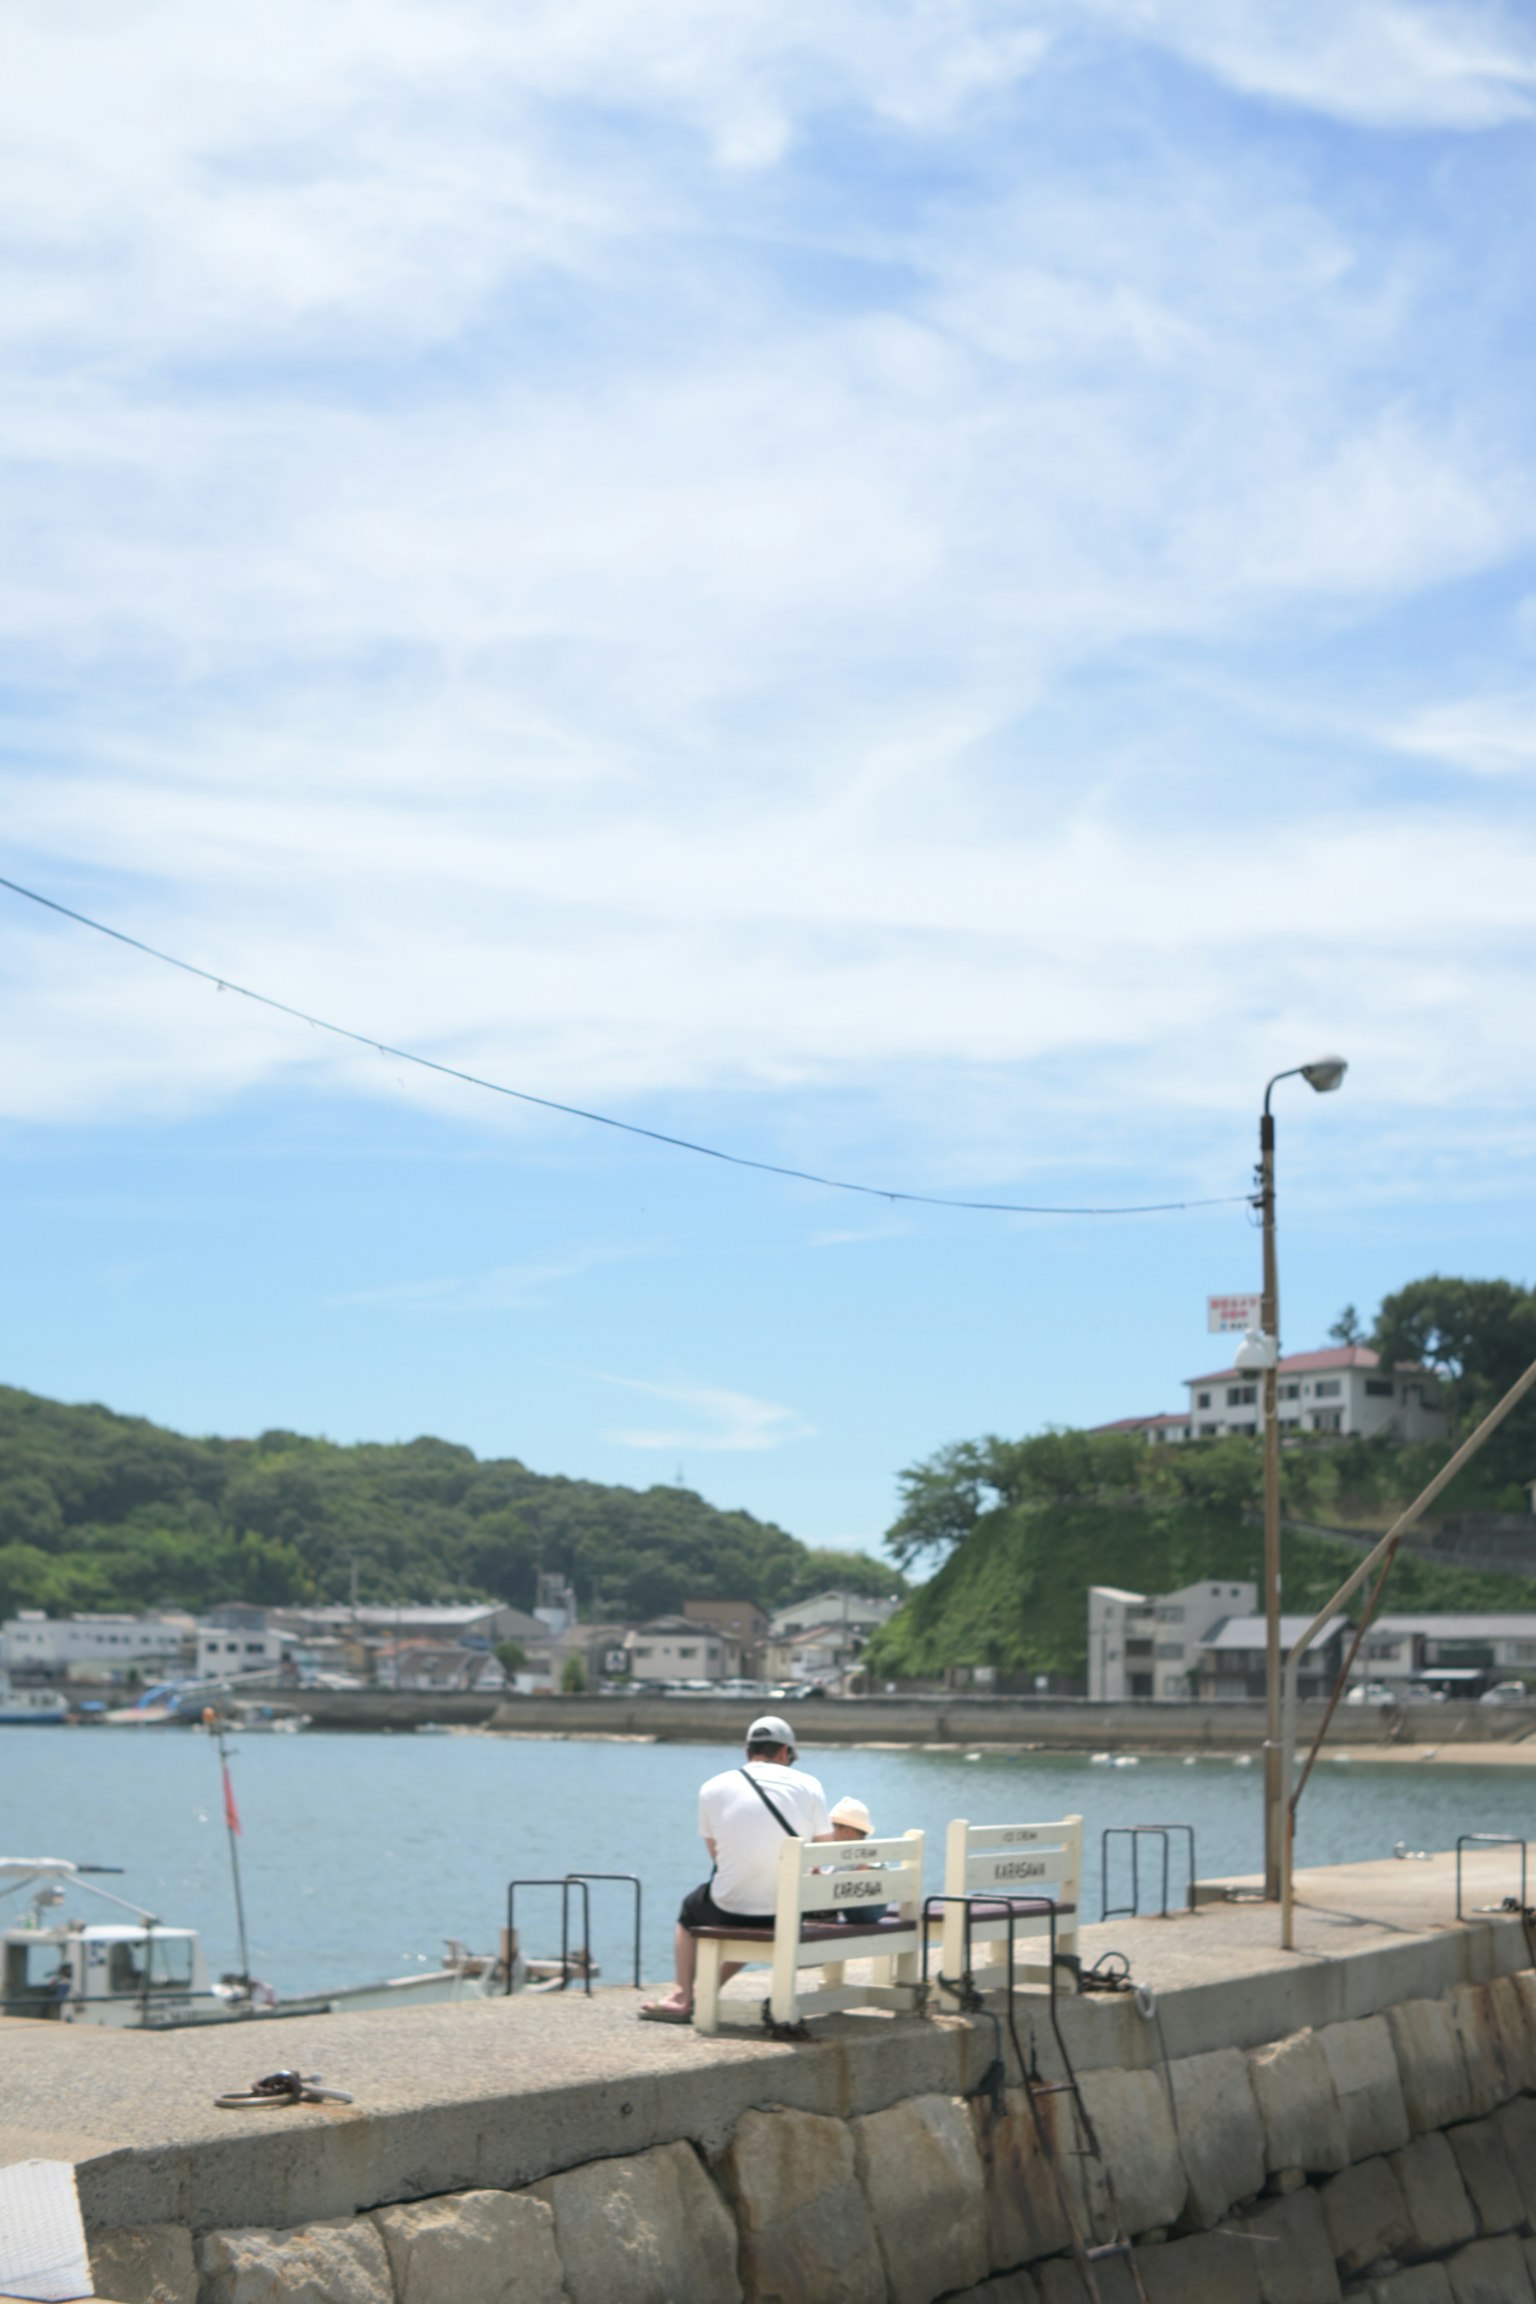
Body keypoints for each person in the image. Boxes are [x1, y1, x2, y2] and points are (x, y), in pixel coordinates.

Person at [640, 1715, 828, 2022]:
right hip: (786, 1914)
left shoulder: (712, 1787)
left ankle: (682, 1995)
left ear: (747, 1750)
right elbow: (822, 1854)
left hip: (728, 1908)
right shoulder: (809, 1785)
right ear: (784, 1752)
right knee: (761, 1907)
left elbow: (717, 1856)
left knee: (692, 1910)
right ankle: (706, 1989)